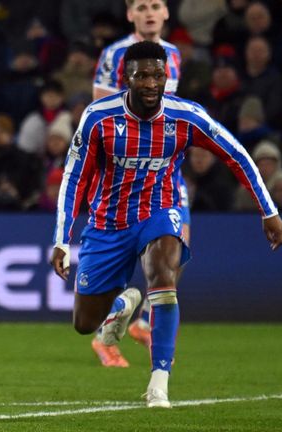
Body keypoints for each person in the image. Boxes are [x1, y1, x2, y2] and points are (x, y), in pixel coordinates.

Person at [50, 41, 282, 408]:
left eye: (157, 75)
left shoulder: (186, 116)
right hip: (106, 224)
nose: (150, 83)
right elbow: (74, 177)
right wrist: (62, 239)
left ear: (167, 77)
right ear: (125, 78)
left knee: (163, 274)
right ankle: (123, 304)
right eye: (141, 75)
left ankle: (159, 383)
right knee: (84, 322)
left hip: (159, 212)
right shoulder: (99, 117)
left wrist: (267, 210)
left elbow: (236, 154)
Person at [90, 0, 188, 365]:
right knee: (126, 252)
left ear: (166, 14)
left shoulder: (174, 54)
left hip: (167, 166)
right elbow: (99, 108)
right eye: (141, 6)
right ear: (130, 14)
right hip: (127, 168)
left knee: (179, 245)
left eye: (156, 5)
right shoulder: (115, 54)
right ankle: (114, 318)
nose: (149, 12)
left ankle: (144, 320)